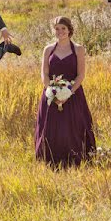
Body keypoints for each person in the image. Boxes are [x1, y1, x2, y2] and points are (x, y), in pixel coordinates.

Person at [34, 17, 95, 167]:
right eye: (57, 29)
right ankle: (50, 162)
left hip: (73, 95)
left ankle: (75, 160)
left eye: (63, 28)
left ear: (69, 30)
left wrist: (68, 93)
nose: (60, 32)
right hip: (51, 95)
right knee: (51, 129)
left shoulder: (78, 49)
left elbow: (81, 75)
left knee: (73, 128)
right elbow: (44, 74)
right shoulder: (48, 49)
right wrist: (52, 92)